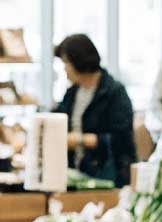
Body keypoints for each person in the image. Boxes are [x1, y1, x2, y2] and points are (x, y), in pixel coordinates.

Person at [54, 33, 136, 188]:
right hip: (76, 177)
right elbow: (56, 117)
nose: (64, 69)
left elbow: (121, 139)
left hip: (106, 178)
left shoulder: (114, 92)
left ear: (78, 61)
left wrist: (80, 140)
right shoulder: (72, 93)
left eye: (66, 63)